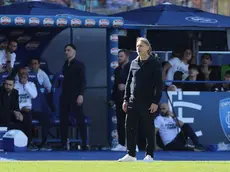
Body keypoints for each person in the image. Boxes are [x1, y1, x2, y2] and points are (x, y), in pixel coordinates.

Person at [118, 37, 163, 162]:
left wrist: (155, 102)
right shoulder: (133, 63)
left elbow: (159, 85)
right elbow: (128, 83)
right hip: (133, 101)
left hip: (148, 102)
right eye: (137, 46)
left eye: (141, 46)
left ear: (148, 47)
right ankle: (131, 154)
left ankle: (149, 155)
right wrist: (125, 99)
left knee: (148, 129)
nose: (139, 48)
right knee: (130, 127)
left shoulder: (154, 63)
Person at [15, 68, 51, 151]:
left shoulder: (31, 84)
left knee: (46, 118)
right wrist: (21, 108)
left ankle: (44, 143)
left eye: (25, 73)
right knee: (27, 118)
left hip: (31, 109)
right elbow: (15, 100)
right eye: (21, 73)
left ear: (28, 75)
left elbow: (34, 95)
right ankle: (29, 142)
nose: (23, 74)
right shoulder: (15, 86)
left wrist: (25, 85)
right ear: (18, 75)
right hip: (20, 110)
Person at [59, 44, 87, 150]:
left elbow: (82, 81)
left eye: (69, 50)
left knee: (80, 119)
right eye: (65, 50)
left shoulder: (79, 65)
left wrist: (80, 95)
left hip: (75, 95)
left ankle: (84, 143)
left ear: (74, 51)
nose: (66, 52)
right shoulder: (65, 64)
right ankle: (63, 142)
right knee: (63, 120)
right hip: (65, 95)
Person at [110, 49, 132, 151]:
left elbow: (137, 84)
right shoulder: (117, 70)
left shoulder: (133, 69)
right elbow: (115, 86)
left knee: (131, 122)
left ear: (127, 57)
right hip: (120, 99)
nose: (119, 58)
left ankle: (133, 145)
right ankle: (122, 144)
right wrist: (112, 99)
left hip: (131, 99)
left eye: (121, 56)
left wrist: (126, 86)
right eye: (118, 56)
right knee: (120, 122)